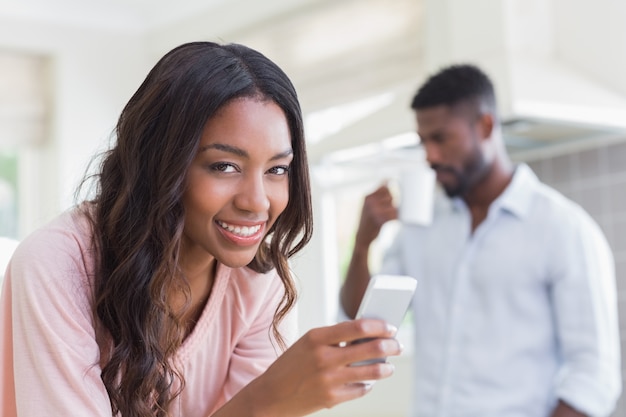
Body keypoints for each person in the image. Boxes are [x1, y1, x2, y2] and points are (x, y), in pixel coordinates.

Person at [0, 41, 404, 417]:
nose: (258, 202)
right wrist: (269, 397)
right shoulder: (58, 265)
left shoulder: (260, 283)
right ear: (159, 163)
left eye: (277, 169)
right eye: (224, 166)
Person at [340, 64, 621, 417]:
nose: (430, 156)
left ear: (486, 126)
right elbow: (364, 320)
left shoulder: (563, 229)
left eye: (441, 138)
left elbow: (594, 375)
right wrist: (363, 244)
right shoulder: (420, 226)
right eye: (423, 141)